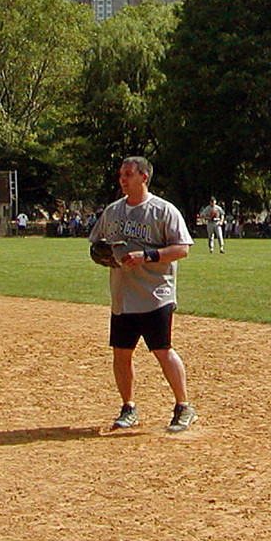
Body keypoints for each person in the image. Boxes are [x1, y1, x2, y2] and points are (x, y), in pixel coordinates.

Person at [87, 156, 197, 434]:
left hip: (156, 294)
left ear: (144, 177)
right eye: (121, 174)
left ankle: (184, 406)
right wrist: (101, 255)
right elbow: (97, 244)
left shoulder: (163, 211)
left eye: (128, 174)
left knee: (162, 350)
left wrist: (148, 255)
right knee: (121, 353)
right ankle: (128, 408)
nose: (122, 179)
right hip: (123, 296)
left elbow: (182, 249)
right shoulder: (112, 212)